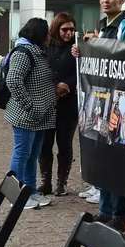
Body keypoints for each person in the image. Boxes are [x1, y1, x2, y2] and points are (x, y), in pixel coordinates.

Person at [72, 0, 125, 231]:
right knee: (104, 154)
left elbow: (122, 55)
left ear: (122, 0)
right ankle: (105, 209)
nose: (105, 0)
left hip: (123, 100)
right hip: (103, 99)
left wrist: (97, 46)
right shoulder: (102, 26)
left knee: (119, 158)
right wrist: (83, 50)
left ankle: (122, 214)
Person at [5, 18, 57, 210]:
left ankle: (30, 191)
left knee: (32, 155)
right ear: (40, 34)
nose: (50, 37)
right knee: (22, 154)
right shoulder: (23, 52)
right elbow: (13, 81)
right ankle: (16, 195)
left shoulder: (38, 52)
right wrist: (31, 106)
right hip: (25, 116)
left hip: (39, 117)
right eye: (48, 33)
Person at [39, 12, 79, 196]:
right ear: (56, 29)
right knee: (44, 145)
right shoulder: (46, 47)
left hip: (69, 105)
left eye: (72, 29)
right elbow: (41, 71)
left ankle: (61, 183)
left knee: (65, 145)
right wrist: (55, 86)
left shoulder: (77, 49)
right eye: (64, 29)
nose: (68, 33)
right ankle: (45, 182)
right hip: (48, 104)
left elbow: (81, 73)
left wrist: (67, 85)